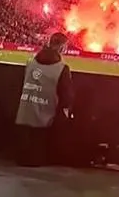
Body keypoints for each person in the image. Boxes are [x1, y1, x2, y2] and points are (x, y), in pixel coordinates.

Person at [15, 32, 74, 167]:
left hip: (25, 112)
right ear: (62, 48)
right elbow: (67, 96)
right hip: (45, 118)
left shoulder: (30, 62)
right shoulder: (61, 68)